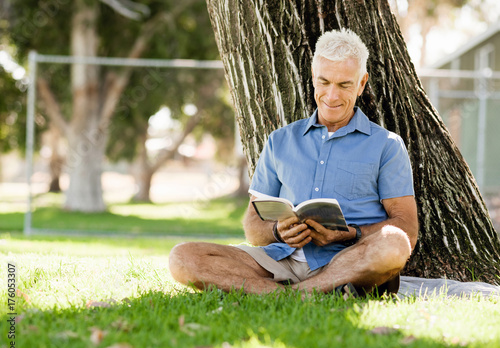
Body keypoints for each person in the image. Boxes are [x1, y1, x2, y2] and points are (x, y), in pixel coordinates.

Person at [169, 29, 419, 296]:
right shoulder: (280, 140)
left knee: (395, 243)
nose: (332, 96)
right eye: (324, 82)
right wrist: (278, 231)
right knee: (183, 258)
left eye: (344, 85)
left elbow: (407, 227)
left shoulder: (387, 145)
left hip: (348, 262)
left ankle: (292, 292)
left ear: (361, 84)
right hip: (280, 260)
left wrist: (350, 234)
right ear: (313, 78)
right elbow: (253, 226)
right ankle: (297, 294)